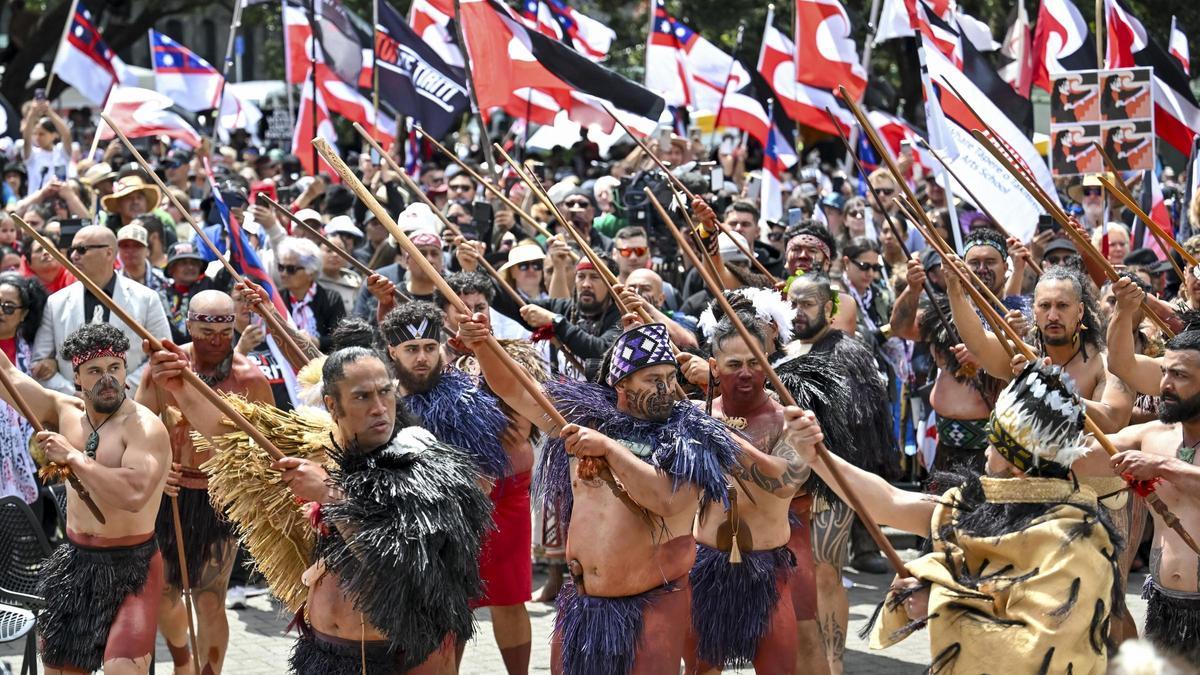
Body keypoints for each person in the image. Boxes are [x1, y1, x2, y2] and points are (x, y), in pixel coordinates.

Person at [147, 345, 491, 673]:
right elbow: (233, 434)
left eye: (385, 392)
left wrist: (331, 495)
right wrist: (180, 385)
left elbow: (401, 566)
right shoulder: (317, 445)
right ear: (332, 405)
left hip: (398, 658)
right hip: (323, 651)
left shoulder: (420, 464)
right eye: (362, 396)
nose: (379, 408)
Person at [782, 360, 1120, 673]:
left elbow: (1038, 651)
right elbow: (889, 501)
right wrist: (816, 458)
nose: (985, 450)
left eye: (994, 442)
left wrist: (938, 603)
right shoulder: (978, 508)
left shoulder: (1076, 539)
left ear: (1016, 464)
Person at [458, 316, 739, 674]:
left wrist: (609, 450)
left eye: (671, 378)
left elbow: (668, 500)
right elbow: (516, 390)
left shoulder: (690, 434)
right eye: (653, 379)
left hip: (653, 604)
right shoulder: (585, 419)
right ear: (621, 383)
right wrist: (482, 344)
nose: (667, 389)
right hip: (583, 604)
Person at [2, 323, 170, 673]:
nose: (107, 378)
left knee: (122, 669)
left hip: (133, 566)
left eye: (115, 368)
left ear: (125, 369)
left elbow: (134, 493)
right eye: (94, 371)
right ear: (77, 377)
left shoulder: (144, 427)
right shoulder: (63, 410)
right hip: (76, 562)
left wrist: (75, 457)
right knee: (58, 670)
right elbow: (7, 375)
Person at [134, 290, 272, 674]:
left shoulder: (250, 378)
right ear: (189, 325)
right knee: (164, 593)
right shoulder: (162, 368)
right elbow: (135, 429)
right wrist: (156, 468)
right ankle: (183, 661)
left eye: (225, 332)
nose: (216, 341)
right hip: (168, 497)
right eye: (206, 331)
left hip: (218, 500)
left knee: (209, 599)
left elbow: (265, 448)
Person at [683, 314, 826, 675]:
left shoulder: (789, 422)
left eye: (755, 363)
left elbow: (787, 483)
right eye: (734, 365)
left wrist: (728, 439)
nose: (746, 373)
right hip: (705, 565)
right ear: (714, 367)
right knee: (701, 669)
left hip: (767, 568)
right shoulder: (695, 415)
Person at [776, 273, 897, 674]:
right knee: (791, 571)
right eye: (792, 303)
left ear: (828, 308)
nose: (797, 311)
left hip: (829, 480)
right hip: (788, 481)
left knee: (826, 571)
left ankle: (833, 665)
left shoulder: (848, 352)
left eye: (807, 304)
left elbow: (860, 425)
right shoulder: (781, 349)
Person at [1104, 327, 1200, 663]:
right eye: (1164, 372)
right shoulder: (1151, 435)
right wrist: (1049, 403)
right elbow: (1084, 454)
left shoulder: (1155, 456)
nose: (1165, 385)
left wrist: (1161, 466)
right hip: (1164, 610)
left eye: (1179, 375)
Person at [32, 225, 172, 395]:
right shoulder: (56, 302)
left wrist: (120, 391)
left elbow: (163, 356)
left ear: (109, 253)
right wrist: (73, 395)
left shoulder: (146, 298)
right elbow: (39, 364)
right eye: (72, 250)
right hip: (74, 404)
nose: (74, 256)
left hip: (132, 401)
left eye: (82, 249)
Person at [0, 273, 45, 509]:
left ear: (24, 313)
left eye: (8, 307)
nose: (0, 312)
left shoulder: (34, 351)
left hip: (28, 453)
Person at [278, 236, 345, 353]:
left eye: (291, 269)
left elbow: (341, 337)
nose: (283, 274)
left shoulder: (332, 299)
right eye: (281, 267)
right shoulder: (277, 299)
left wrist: (317, 342)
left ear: (310, 272)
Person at [163, 241, 218, 344]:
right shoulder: (162, 296)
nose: (190, 267)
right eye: (183, 263)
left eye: (194, 263)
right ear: (171, 268)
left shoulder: (210, 287)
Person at [21, 100, 73, 195]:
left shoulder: (62, 152)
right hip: (37, 202)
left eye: (42, 134)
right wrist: (32, 113)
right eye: (36, 134)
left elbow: (67, 134)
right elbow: (26, 138)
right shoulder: (33, 155)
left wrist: (49, 112)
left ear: (54, 135)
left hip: (60, 202)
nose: (37, 138)